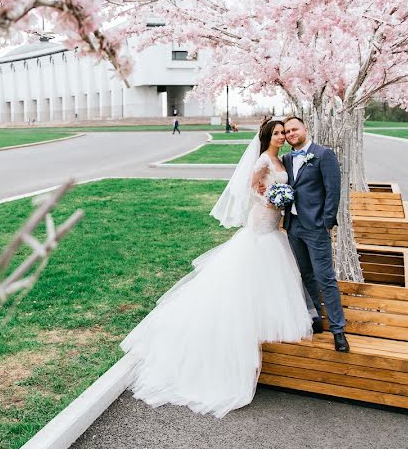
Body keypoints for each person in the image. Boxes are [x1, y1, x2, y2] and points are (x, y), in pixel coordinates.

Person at [122, 118, 312, 417]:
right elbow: (250, 189)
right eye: (276, 133)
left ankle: (266, 328)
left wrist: (279, 198)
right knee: (253, 274)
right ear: (267, 136)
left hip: (275, 228)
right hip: (262, 223)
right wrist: (271, 199)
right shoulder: (264, 159)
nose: (280, 137)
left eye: (282, 133)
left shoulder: (280, 158)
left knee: (274, 276)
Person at [279, 116, 349, 353]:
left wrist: (326, 222)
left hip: (316, 227)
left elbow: (333, 191)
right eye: (287, 131)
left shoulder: (323, 154)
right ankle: (315, 317)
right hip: (293, 226)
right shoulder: (287, 158)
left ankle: (339, 330)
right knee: (305, 274)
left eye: (294, 129)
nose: (290, 134)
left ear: (305, 129)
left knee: (325, 277)